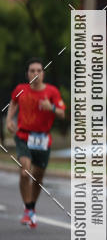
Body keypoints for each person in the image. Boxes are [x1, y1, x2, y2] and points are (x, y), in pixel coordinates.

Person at [6, 57, 66, 229]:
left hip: (43, 139)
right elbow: (13, 103)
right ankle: (28, 211)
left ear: (43, 73)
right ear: (27, 74)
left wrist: (51, 108)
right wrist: (9, 120)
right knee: (25, 172)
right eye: (32, 71)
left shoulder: (52, 92)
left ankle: (31, 208)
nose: (35, 74)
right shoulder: (21, 89)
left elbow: (62, 113)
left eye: (39, 71)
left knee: (38, 176)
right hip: (24, 136)